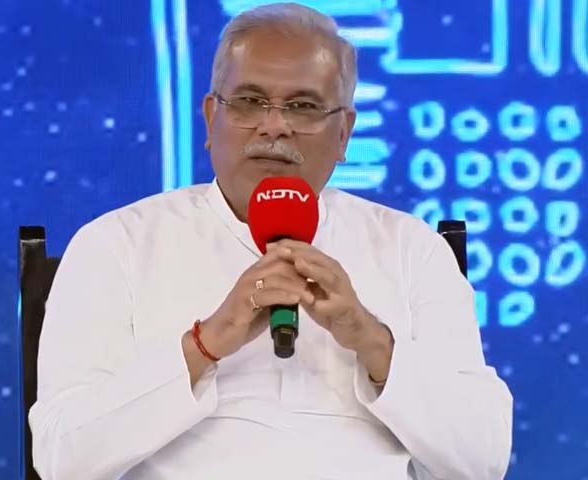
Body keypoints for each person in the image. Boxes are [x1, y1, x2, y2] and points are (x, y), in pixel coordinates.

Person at [29, 3, 513, 479]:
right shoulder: (116, 246)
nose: (274, 125)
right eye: (249, 101)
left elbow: (482, 460)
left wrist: (370, 340)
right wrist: (206, 343)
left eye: (303, 106)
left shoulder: (411, 249)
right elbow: (62, 459)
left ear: (343, 134)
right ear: (210, 118)